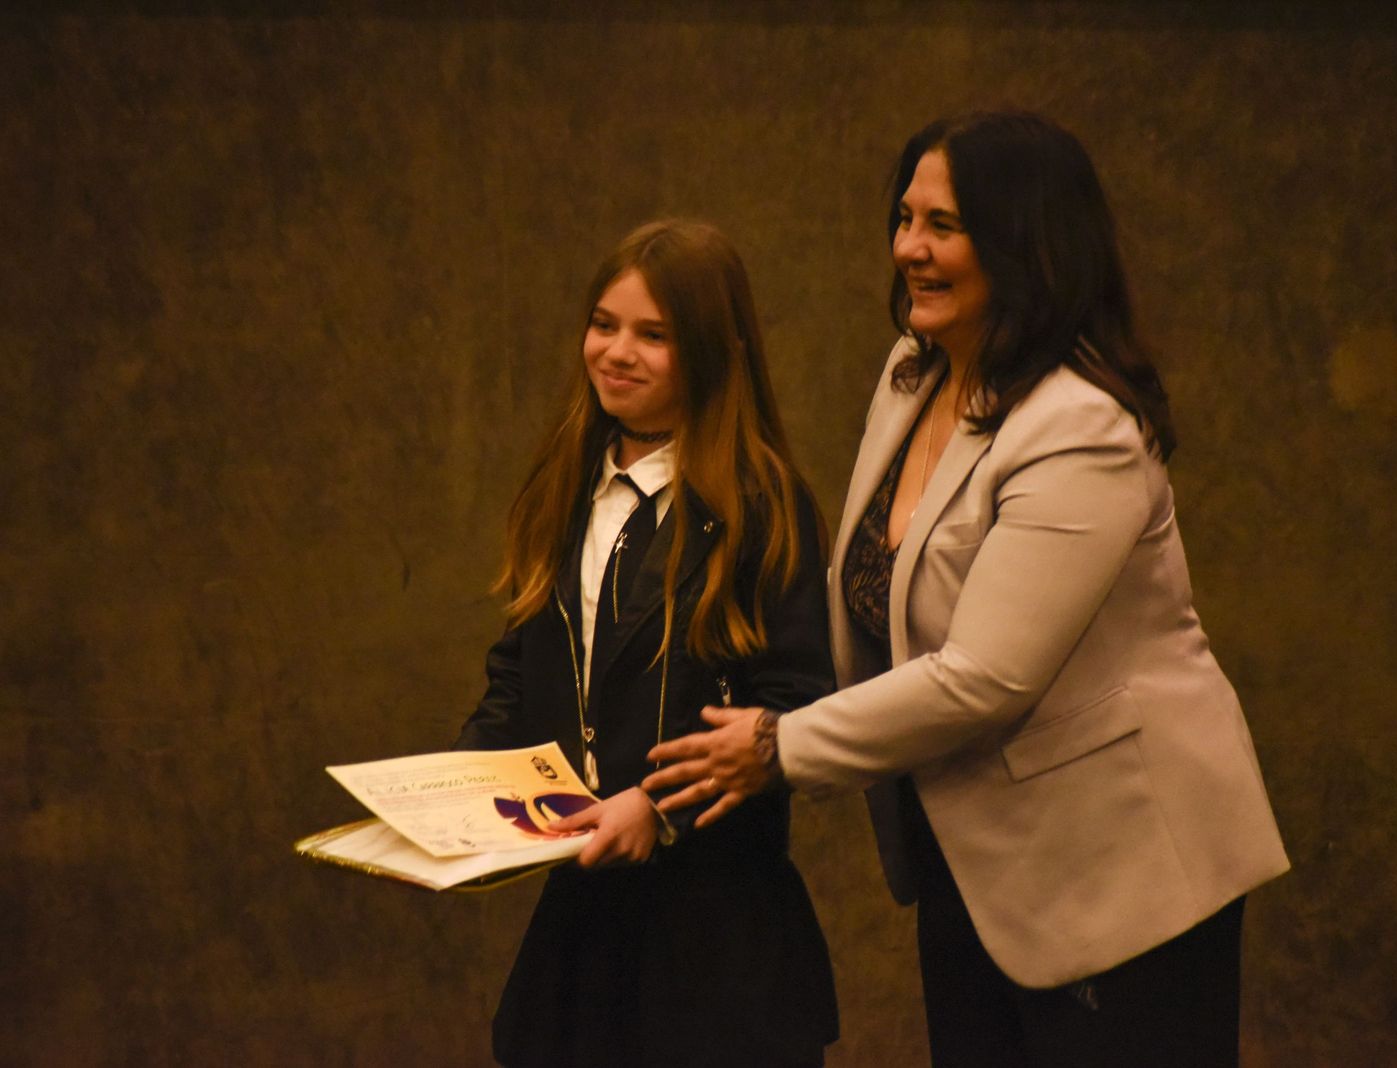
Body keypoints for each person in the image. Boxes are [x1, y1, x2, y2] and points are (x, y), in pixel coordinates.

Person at [643, 111, 1291, 1066]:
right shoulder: (913, 372)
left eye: (943, 225)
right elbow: (866, 599)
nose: (909, 248)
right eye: (904, 218)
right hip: (975, 863)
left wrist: (780, 746)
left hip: (1123, 876)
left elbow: (986, 678)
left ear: (1026, 242)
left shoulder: (1082, 428)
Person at [453, 219, 838, 1068]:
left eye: (653, 335)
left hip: (719, 946)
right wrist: (460, 790)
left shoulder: (764, 509)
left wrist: (659, 813)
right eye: (604, 324)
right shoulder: (563, 493)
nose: (616, 352)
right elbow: (517, 678)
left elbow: (798, 710)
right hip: (582, 935)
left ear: (709, 351)